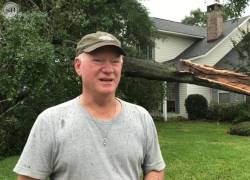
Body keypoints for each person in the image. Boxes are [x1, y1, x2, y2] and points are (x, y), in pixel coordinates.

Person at [13, 31, 165, 180]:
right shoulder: (50, 121)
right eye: (98, 60)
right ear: (78, 66)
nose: (108, 69)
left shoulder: (141, 117)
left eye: (115, 61)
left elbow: (155, 169)